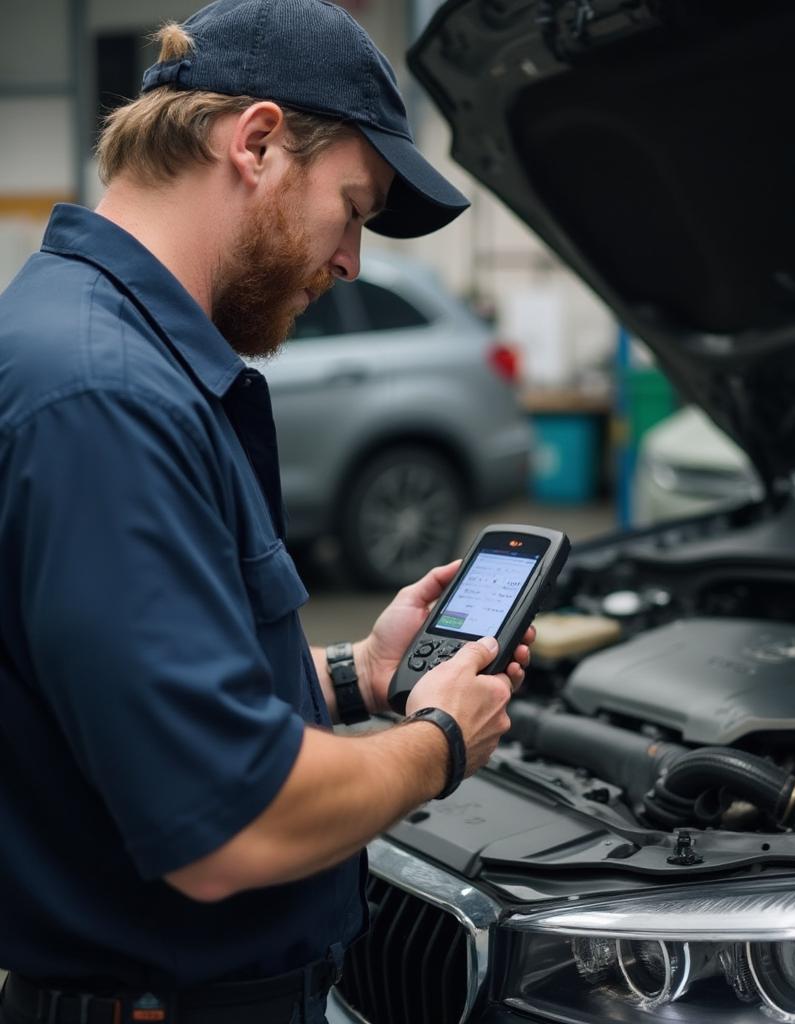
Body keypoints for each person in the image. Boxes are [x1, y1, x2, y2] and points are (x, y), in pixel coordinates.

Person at [0, 1, 532, 1021]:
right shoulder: (107, 398)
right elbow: (224, 825)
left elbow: (118, 709)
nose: (350, 262)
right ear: (256, 143)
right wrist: (440, 740)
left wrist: (351, 677)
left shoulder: (92, 345)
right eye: (354, 209)